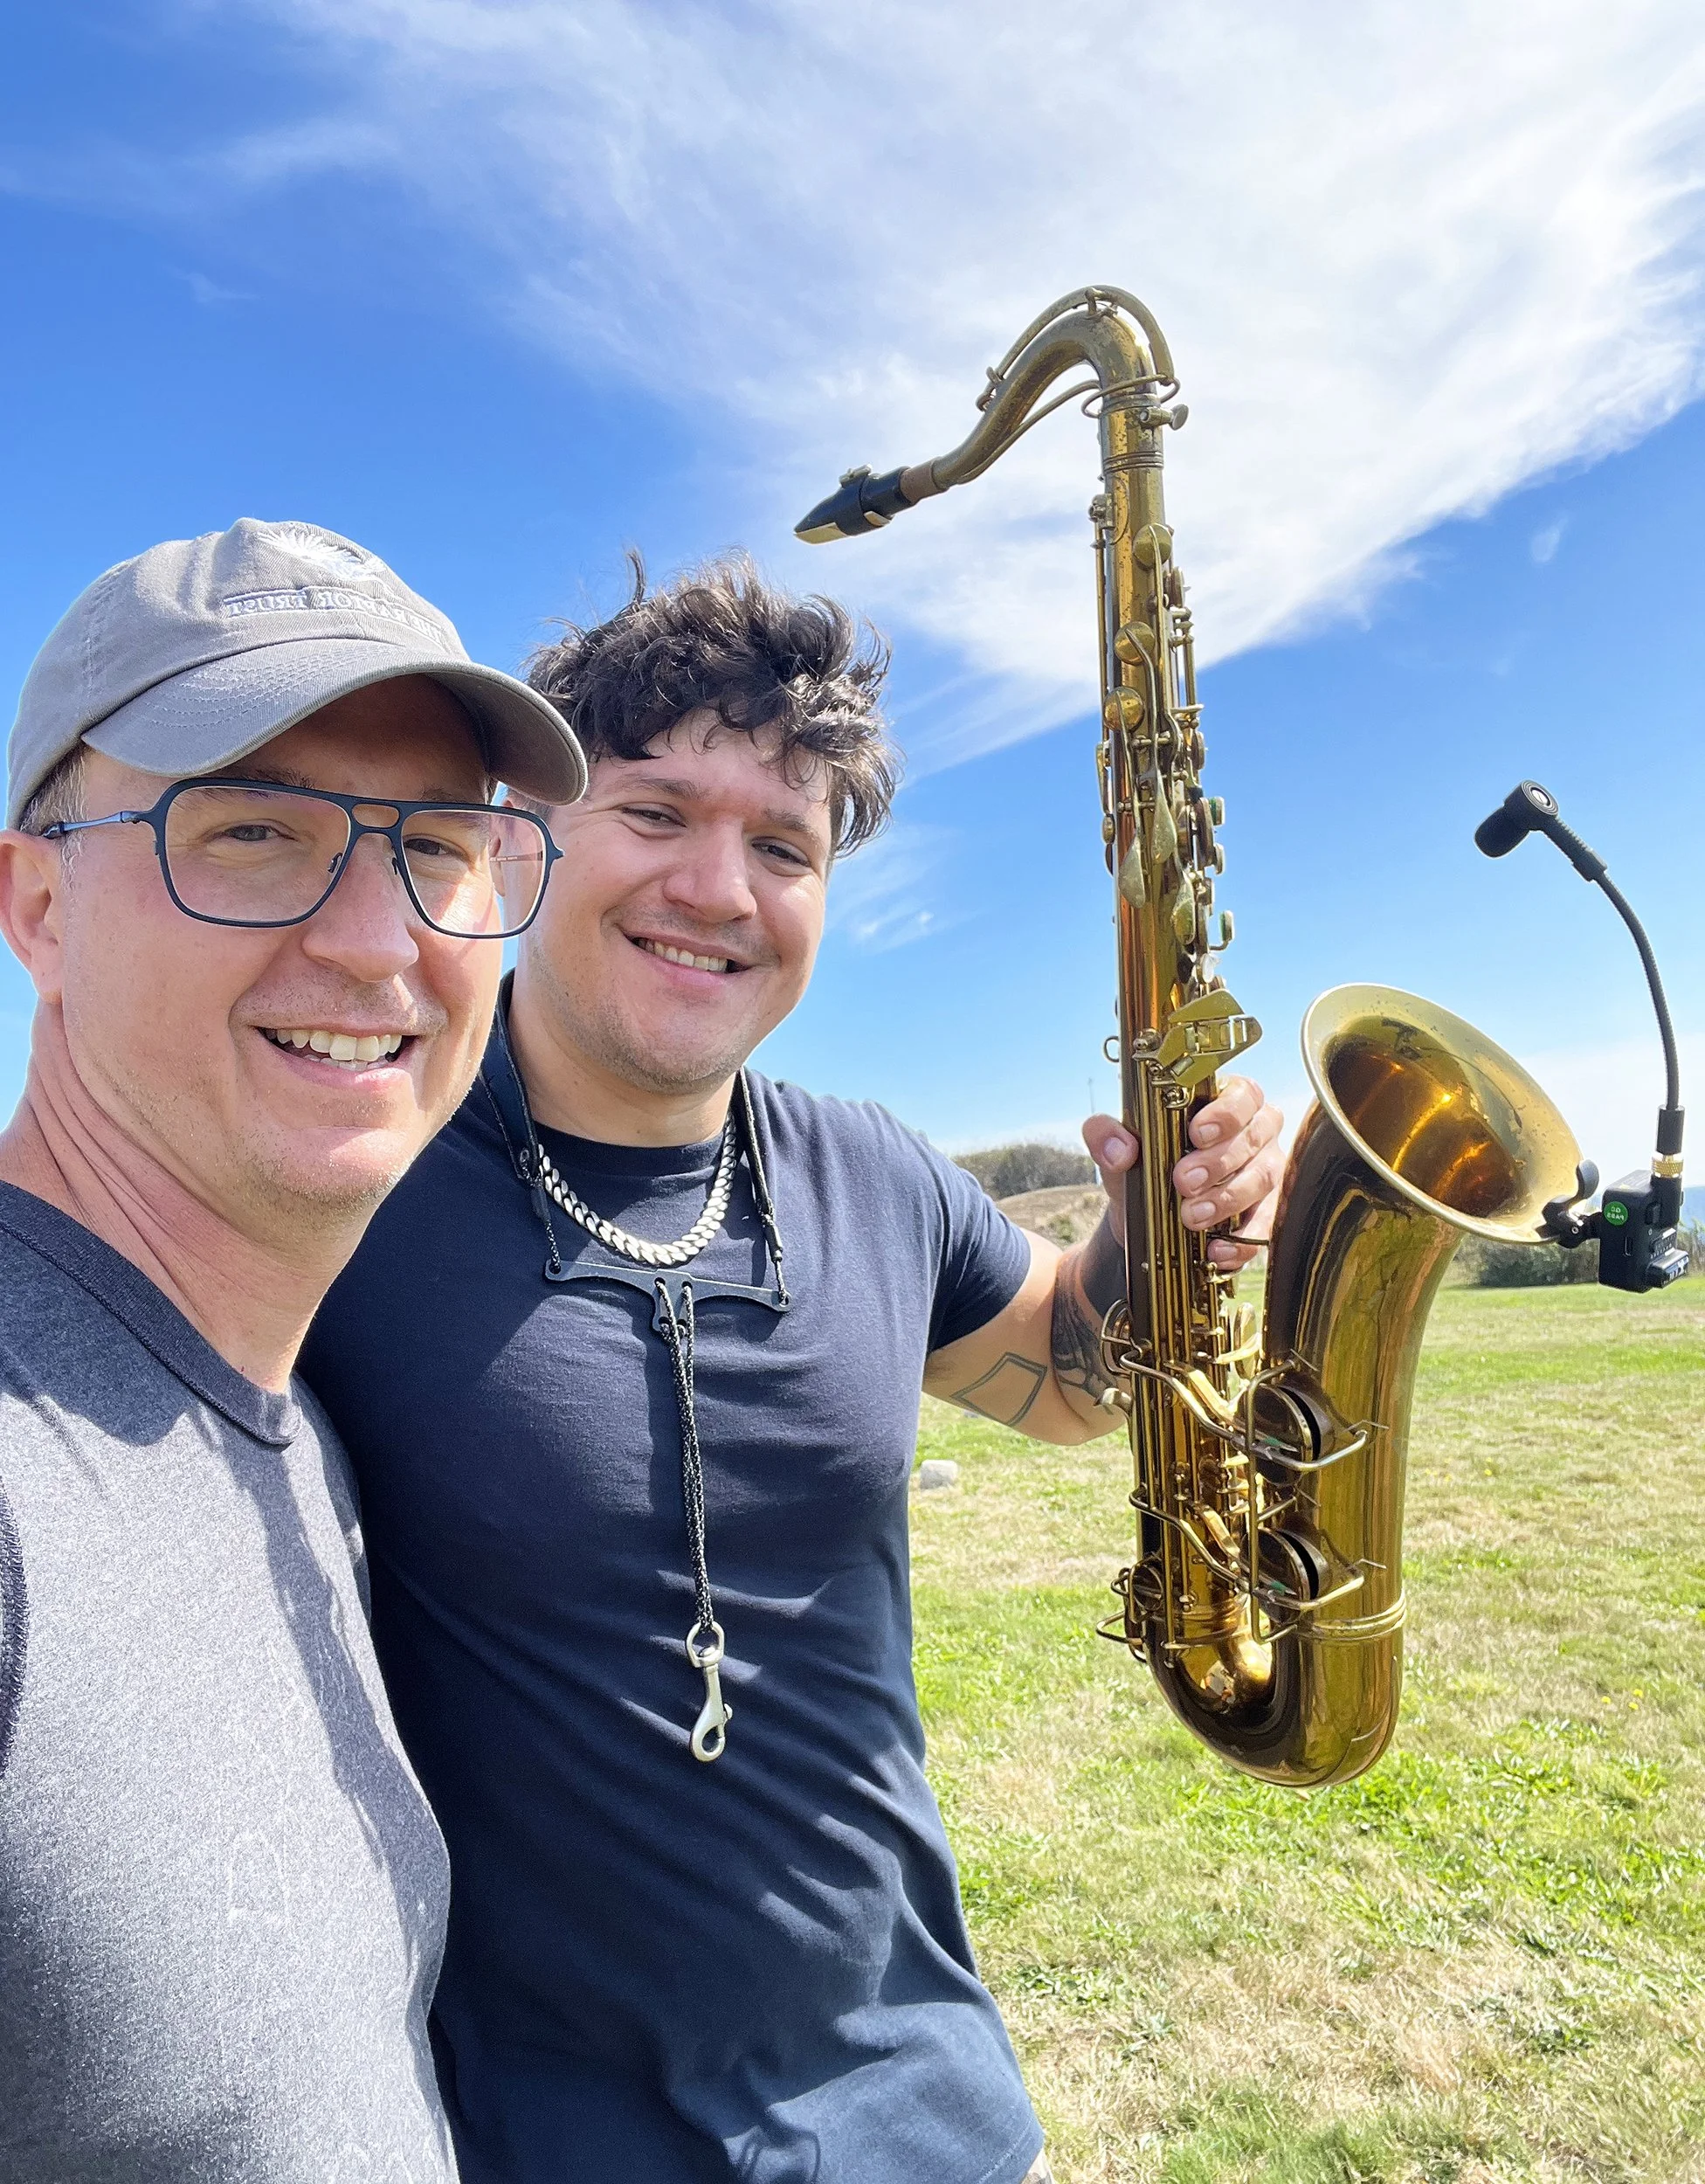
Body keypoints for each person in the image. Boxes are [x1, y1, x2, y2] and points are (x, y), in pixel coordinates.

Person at [301, 556, 1285, 2184]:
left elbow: (1069, 1379)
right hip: (533, 2143)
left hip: (937, 2112)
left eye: (782, 845)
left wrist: (1152, 1234)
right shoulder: (349, 1180)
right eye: (658, 812)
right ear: (530, 839)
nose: (718, 887)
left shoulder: (879, 1176)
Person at [0, 518, 585, 2182]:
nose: (374, 939)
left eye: (441, 847)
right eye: (253, 830)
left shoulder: (288, 1435)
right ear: (36, 902)